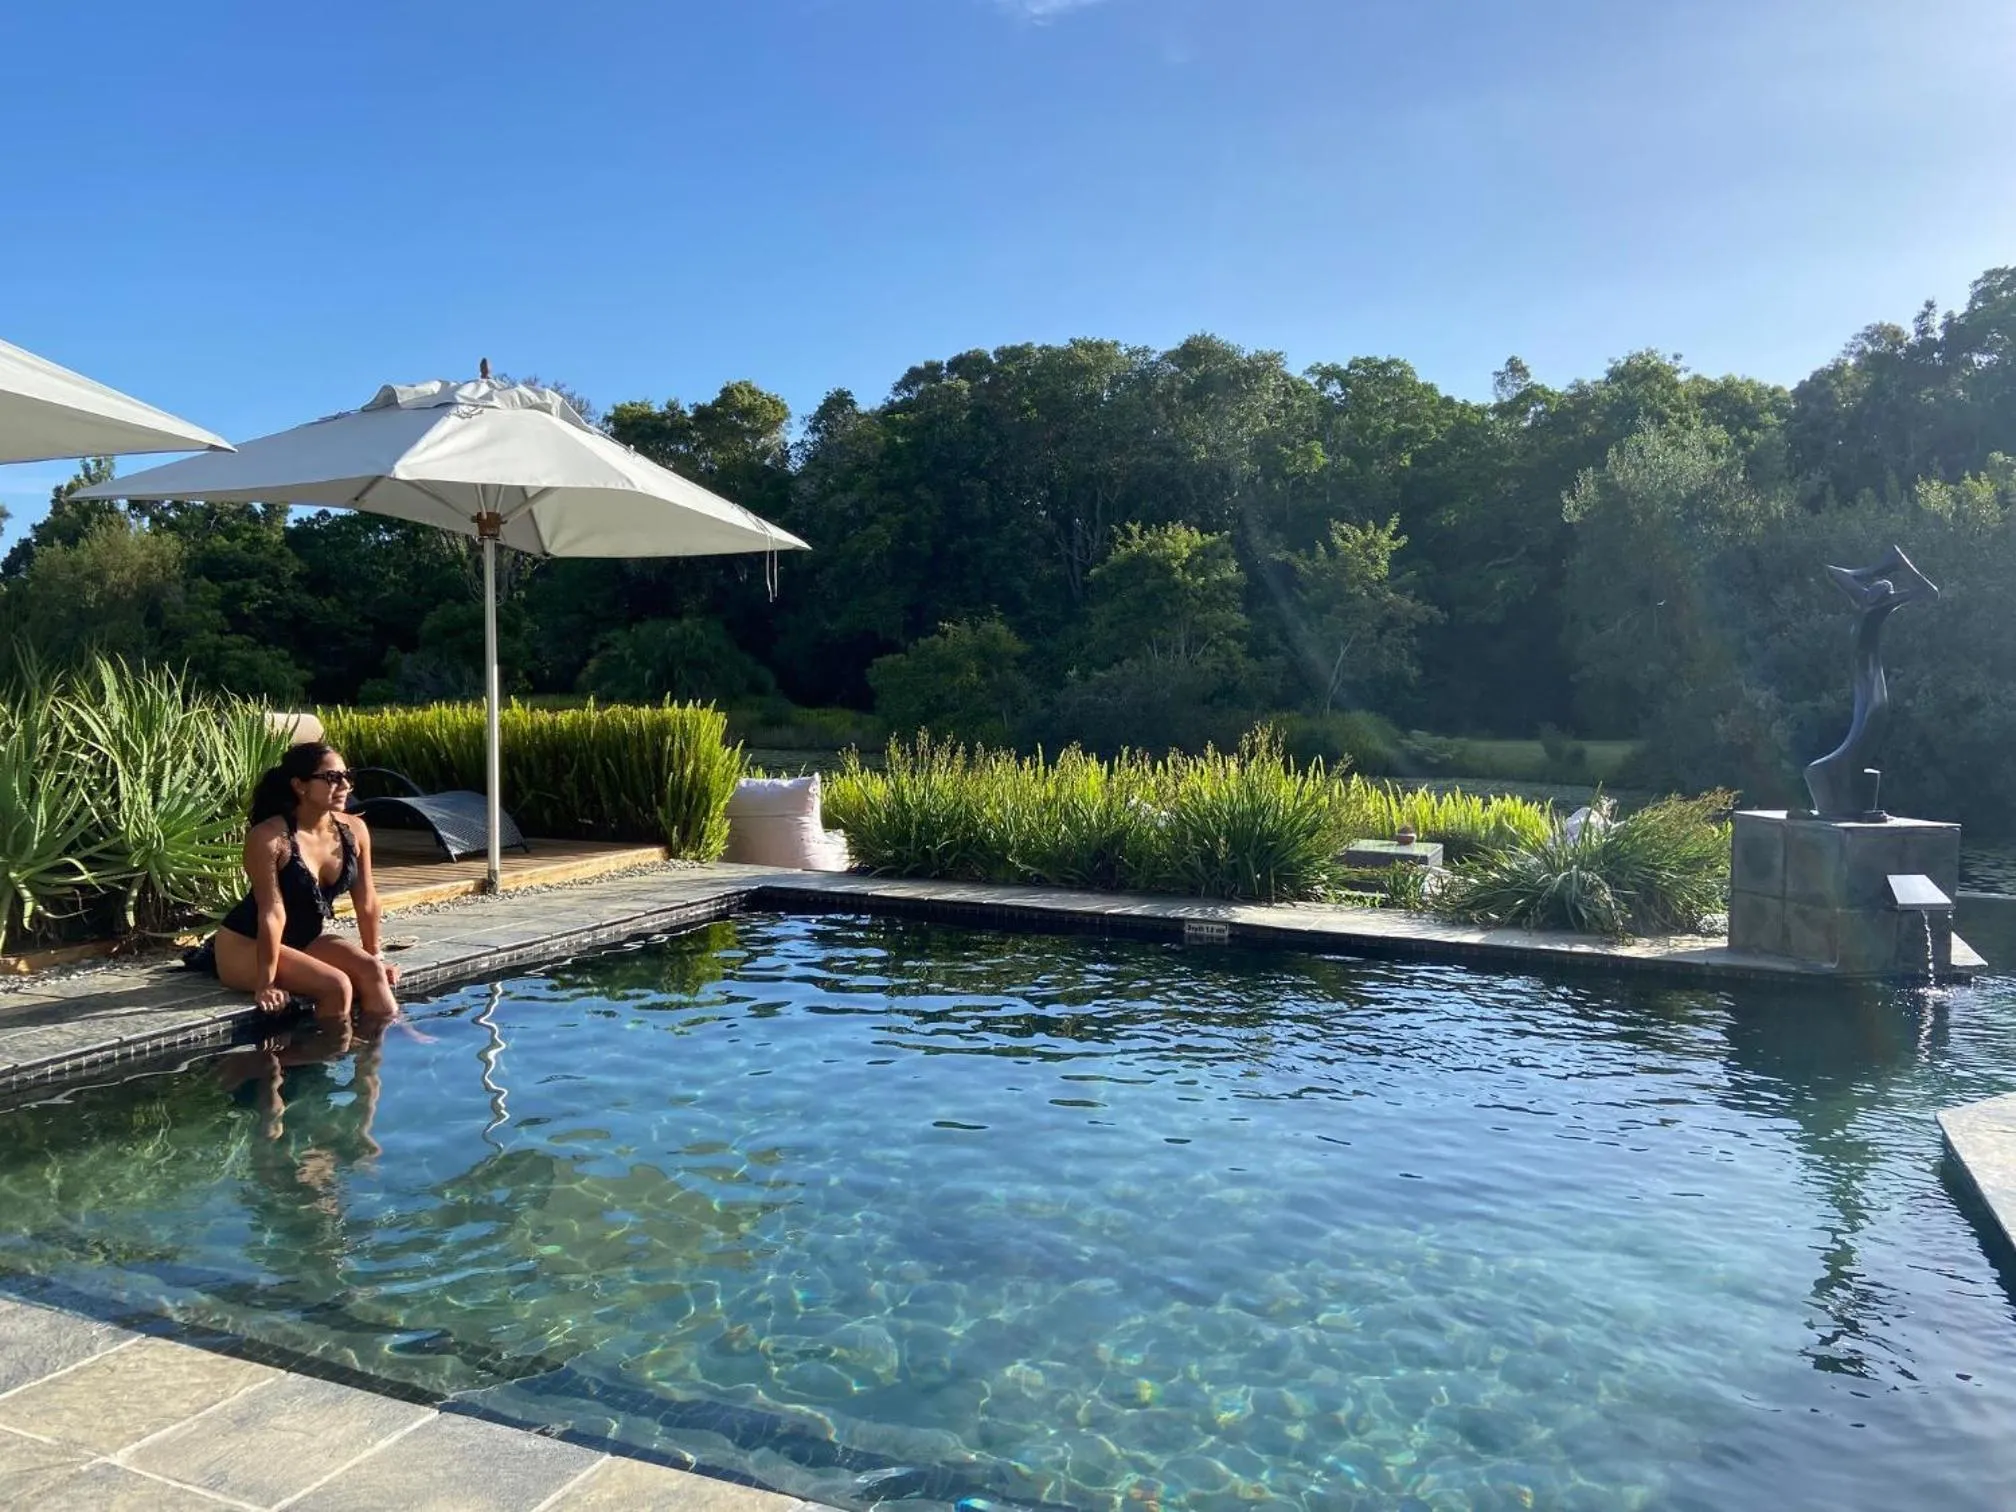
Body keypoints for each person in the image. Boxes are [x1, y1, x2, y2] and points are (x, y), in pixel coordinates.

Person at [196, 740, 402, 1027]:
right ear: (300, 785)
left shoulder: (354, 830)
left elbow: (366, 899)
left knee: (372, 972)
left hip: (305, 941)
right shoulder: (269, 838)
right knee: (336, 986)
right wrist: (266, 983)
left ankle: (383, 1049)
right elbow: (272, 912)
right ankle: (324, 1053)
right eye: (332, 777)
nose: (344, 785)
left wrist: (374, 953)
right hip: (247, 946)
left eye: (347, 776)